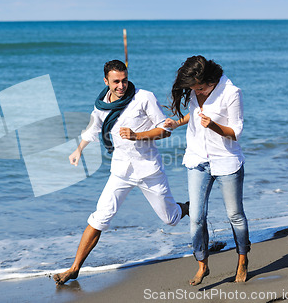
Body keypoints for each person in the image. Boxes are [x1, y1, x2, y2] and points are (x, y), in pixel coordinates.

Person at [53, 60, 189, 285]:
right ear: (106, 81)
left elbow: (165, 130)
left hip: (148, 170)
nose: (121, 85)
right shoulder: (101, 105)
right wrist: (78, 150)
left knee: (171, 219)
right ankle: (74, 268)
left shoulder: (143, 97)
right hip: (120, 171)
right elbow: (93, 129)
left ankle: (187, 208)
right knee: (100, 217)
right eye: (116, 81)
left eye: (124, 80)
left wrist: (137, 135)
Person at [164, 55, 250, 285]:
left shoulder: (232, 93)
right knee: (197, 217)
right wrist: (177, 122)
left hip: (226, 161)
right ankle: (202, 264)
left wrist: (213, 125)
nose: (197, 92)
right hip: (197, 159)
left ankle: (242, 260)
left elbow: (236, 131)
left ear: (211, 80)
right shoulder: (196, 89)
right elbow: (195, 114)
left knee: (235, 215)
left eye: (200, 88)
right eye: (194, 89)